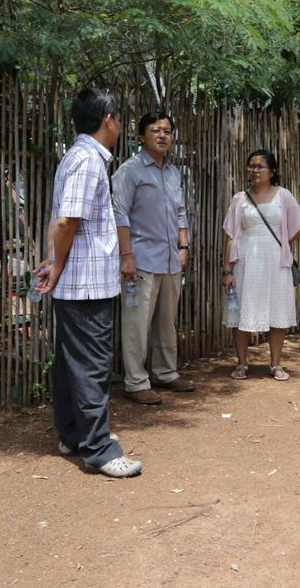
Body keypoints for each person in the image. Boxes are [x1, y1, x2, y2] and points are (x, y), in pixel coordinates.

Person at [34, 88, 142, 478]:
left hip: (78, 282)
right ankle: (98, 449)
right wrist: (57, 264)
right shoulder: (87, 160)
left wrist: (53, 261)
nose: (120, 126)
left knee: (71, 364)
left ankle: (72, 436)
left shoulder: (77, 157)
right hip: (85, 284)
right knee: (93, 365)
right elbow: (67, 221)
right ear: (108, 119)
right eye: (119, 119)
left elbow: (61, 219)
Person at [112, 112, 194, 405]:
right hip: (140, 260)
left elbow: (181, 211)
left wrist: (184, 247)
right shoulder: (129, 171)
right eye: (156, 130)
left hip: (171, 259)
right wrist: (126, 256)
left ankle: (166, 373)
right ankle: (135, 382)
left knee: (167, 321)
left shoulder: (173, 172)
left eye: (167, 131)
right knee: (137, 323)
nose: (163, 135)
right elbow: (119, 214)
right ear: (140, 137)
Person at [221, 150, 300, 380]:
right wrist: (227, 270)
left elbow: (299, 227)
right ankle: (242, 363)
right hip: (245, 261)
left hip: (276, 262)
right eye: (251, 166)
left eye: (260, 166)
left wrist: (279, 242)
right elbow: (230, 236)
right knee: (242, 309)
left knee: (277, 310)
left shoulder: (284, 196)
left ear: (272, 171)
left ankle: (276, 364)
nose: (255, 170)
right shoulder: (239, 199)